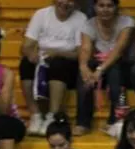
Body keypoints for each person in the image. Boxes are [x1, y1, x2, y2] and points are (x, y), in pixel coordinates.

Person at [19, 0, 87, 136]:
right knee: (26, 64)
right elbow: (26, 46)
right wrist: (31, 54)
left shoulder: (81, 18)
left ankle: (52, 115)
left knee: (58, 64)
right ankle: (36, 115)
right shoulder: (41, 14)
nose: (66, 3)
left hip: (67, 61)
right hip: (42, 59)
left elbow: (80, 53)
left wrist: (57, 53)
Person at [76, 0, 135, 136]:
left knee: (115, 70)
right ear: (95, 7)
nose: (105, 9)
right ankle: (83, 123)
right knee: (83, 75)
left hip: (124, 62)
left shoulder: (127, 22)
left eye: (109, 6)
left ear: (116, 7)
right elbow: (85, 49)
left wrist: (99, 70)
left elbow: (118, 50)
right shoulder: (89, 24)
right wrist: (83, 67)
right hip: (99, 61)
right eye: (101, 5)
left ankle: (115, 121)